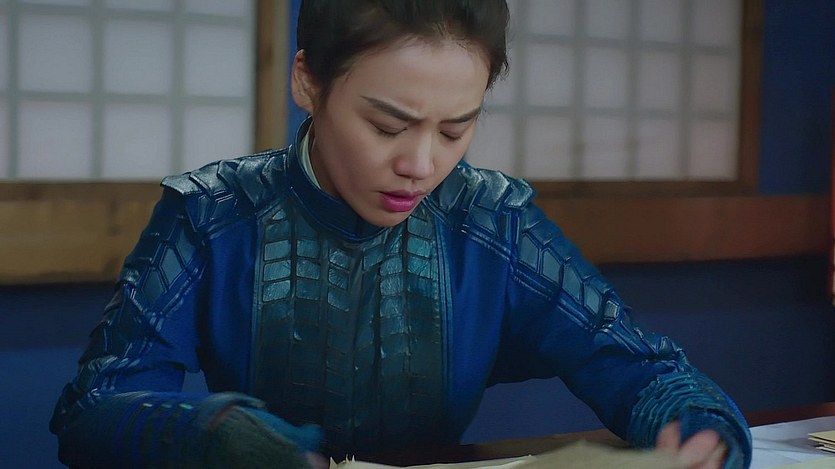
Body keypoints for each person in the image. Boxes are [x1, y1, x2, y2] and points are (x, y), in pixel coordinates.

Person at [49, 1, 752, 468]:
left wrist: (698, 432)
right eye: (387, 125)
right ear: (307, 81)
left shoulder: (491, 221)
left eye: (455, 130)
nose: (420, 164)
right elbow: (94, 411)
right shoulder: (213, 214)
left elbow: (641, 368)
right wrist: (210, 434)